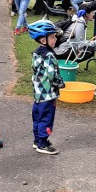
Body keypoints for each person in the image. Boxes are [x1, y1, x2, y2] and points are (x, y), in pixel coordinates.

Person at [27, 19, 65, 155]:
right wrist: (60, 83)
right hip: (48, 94)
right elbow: (51, 75)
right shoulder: (49, 56)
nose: (55, 39)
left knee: (37, 117)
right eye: (53, 37)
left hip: (38, 94)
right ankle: (42, 144)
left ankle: (37, 140)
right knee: (46, 118)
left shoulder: (37, 53)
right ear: (43, 40)